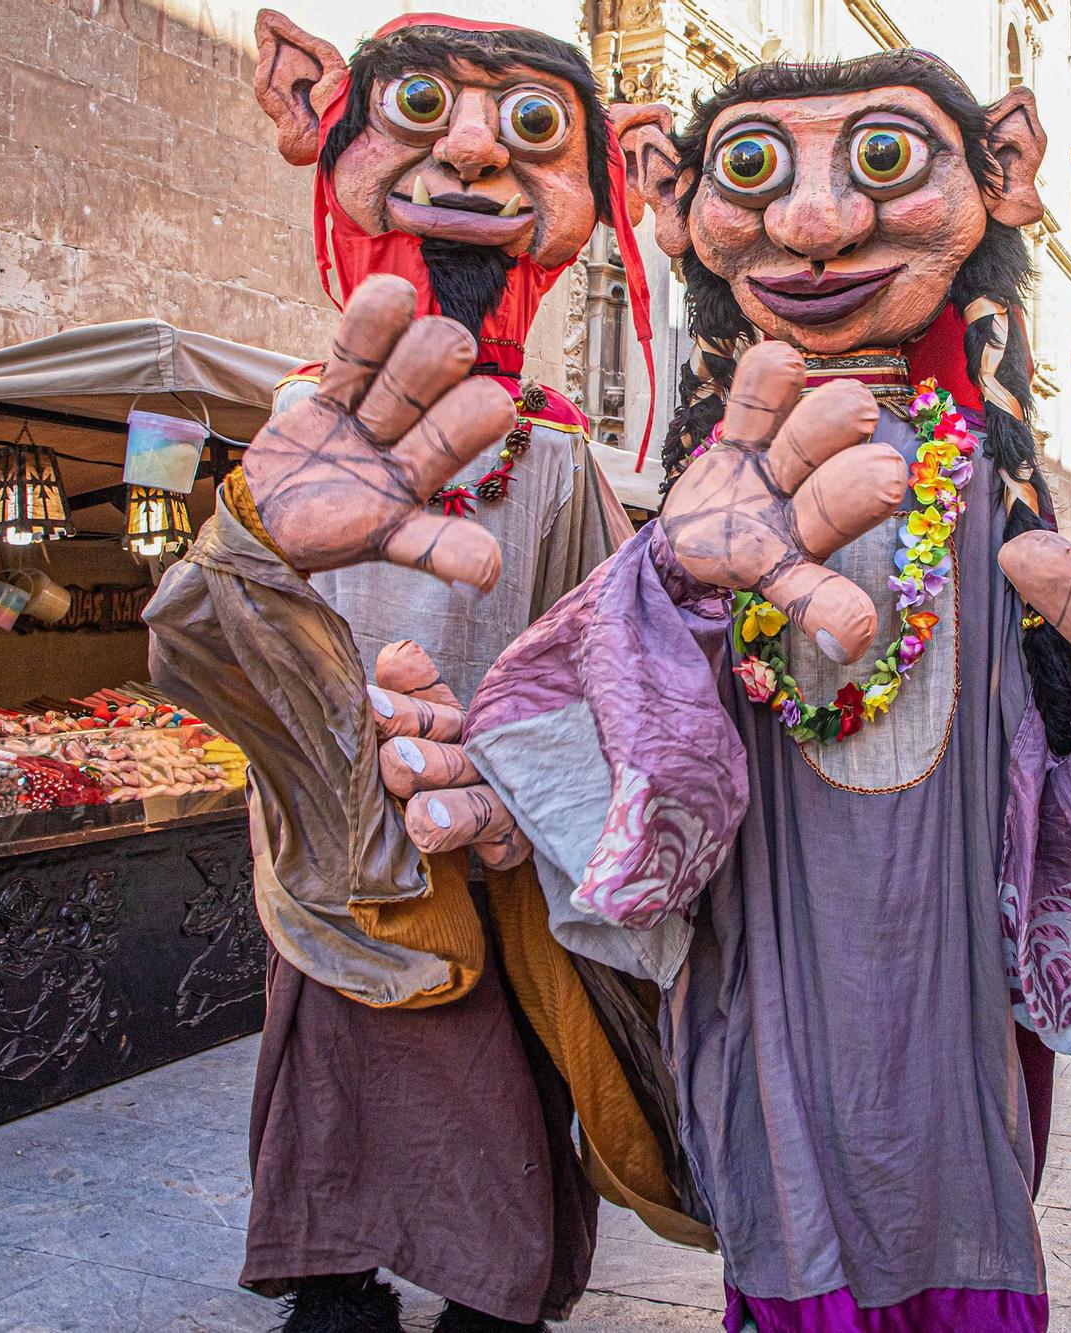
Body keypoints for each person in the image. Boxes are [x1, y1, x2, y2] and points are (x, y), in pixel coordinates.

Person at [343, 51, 1071, 1331]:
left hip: (952, 996)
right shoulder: (707, 500)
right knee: (785, 1229)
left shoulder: (987, 494)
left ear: (1001, 177)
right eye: (756, 172)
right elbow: (639, 732)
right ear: (680, 208)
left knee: (960, 1215)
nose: (814, 225)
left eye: (882, 161)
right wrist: (572, 699)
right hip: (766, 973)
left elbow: (1048, 776)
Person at [146, 14, 684, 1330]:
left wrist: (524, 790)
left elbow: (613, 667)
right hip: (333, 835)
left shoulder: (556, 468)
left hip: (493, 845)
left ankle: (490, 1295)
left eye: (534, 133)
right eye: (425, 112)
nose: (474, 166)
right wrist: (254, 545)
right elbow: (190, 642)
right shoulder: (296, 446)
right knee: (332, 1076)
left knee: (498, 1081)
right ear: (308, 108)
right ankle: (333, 1280)